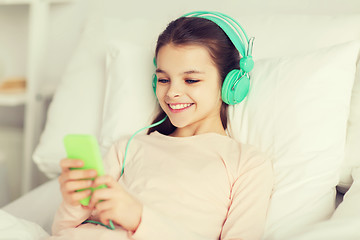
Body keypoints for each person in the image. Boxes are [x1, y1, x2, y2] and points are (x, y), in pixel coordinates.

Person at [49, 11, 273, 240]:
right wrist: (74, 202)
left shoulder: (247, 164)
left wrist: (139, 219)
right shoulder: (128, 148)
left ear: (230, 84)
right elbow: (63, 231)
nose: (172, 92)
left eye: (191, 80)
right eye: (164, 80)